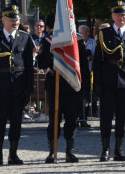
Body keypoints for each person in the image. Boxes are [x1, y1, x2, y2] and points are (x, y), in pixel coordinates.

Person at [0, 4, 34, 165]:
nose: (15, 22)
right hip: (1, 87)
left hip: (19, 87)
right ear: (3, 19)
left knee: (16, 123)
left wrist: (28, 89)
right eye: (12, 19)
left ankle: (13, 154)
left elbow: (29, 68)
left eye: (17, 19)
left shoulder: (25, 38)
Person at [94, 2, 125, 162]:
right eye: (117, 15)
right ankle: (105, 149)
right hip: (108, 80)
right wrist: (98, 85)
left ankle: (118, 150)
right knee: (106, 117)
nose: (121, 17)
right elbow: (97, 62)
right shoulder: (104, 34)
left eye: (123, 15)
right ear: (112, 16)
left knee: (122, 118)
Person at [37, 25, 90, 163]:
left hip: (72, 84)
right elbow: (41, 63)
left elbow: (83, 66)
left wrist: (86, 89)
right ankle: (51, 152)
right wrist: (54, 52)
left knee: (71, 119)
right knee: (54, 119)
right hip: (55, 83)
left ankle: (69, 151)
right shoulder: (47, 40)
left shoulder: (77, 40)